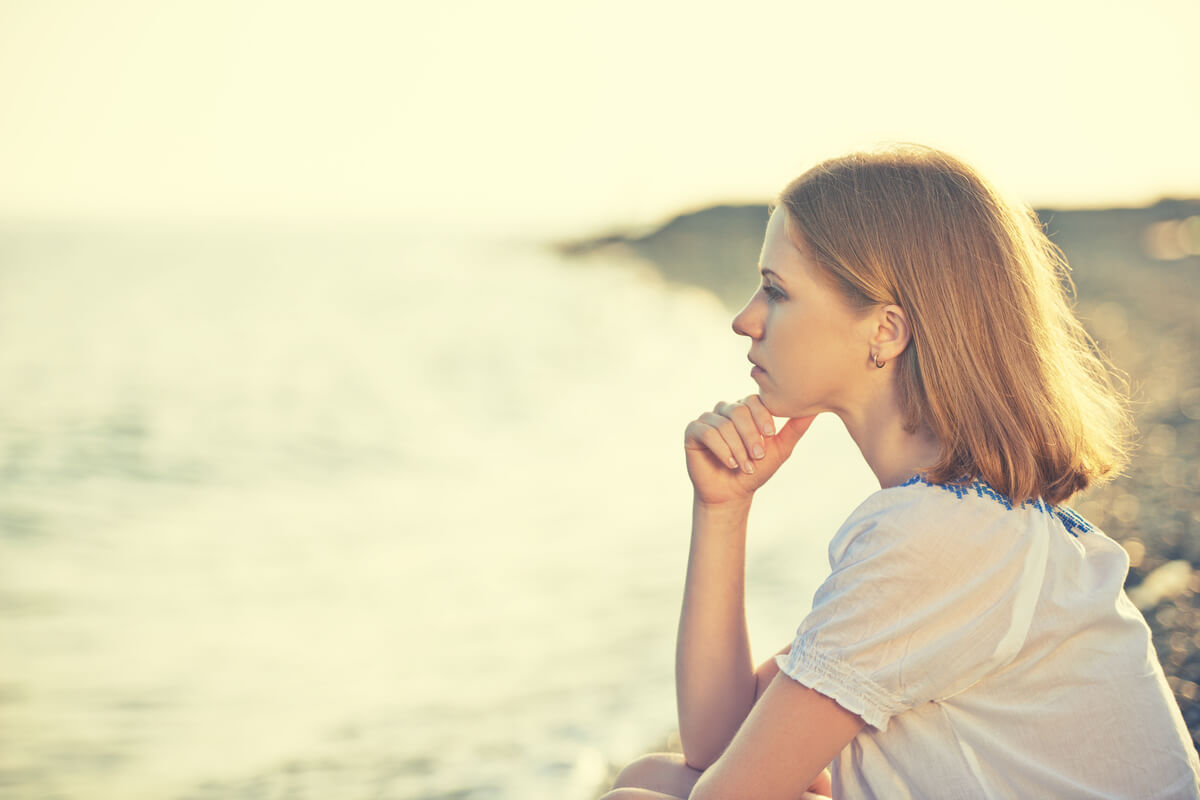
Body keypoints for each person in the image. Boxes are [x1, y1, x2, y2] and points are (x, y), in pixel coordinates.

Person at [601, 145, 1200, 799]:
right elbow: (718, 746)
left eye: (775, 291)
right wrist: (722, 511)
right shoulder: (972, 517)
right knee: (651, 779)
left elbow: (728, 792)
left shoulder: (933, 536)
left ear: (886, 330)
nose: (745, 320)